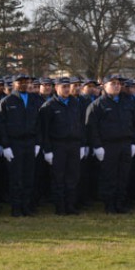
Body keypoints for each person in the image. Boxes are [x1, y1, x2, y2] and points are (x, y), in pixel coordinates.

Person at [85, 74, 135, 214]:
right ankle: (109, 205)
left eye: (118, 84)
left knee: (123, 176)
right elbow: (92, 128)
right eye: (113, 83)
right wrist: (97, 146)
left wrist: (134, 142)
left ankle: (120, 204)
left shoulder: (127, 102)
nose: (116, 86)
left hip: (125, 144)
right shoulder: (97, 105)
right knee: (109, 177)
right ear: (104, 85)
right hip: (108, 146)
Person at [0, 74, 43, 217]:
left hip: (30, 142)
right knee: (16, 178)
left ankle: (26, 206)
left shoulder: (35, 100)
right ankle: (16, 207)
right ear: (14, 84)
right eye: (21, 82)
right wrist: (5, 145)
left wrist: (38, 143)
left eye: (27, 82)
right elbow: (0, 125)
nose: (25, 85)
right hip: (14, 143)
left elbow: (39, 123)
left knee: (29, 177)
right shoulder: (7, 101)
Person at [39, 77, 85, 215]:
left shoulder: (75, 104)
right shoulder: (49, 106)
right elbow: (44, 130)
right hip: (57, 145)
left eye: (68, 86)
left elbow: (81, 125)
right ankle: (60, 207)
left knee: (73, 177)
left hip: (74, 145)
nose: (66, 89)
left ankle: (70, 205)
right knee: (58, 177)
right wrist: (47, 150)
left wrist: (82, 144)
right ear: (56, 88)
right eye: (63, 87)